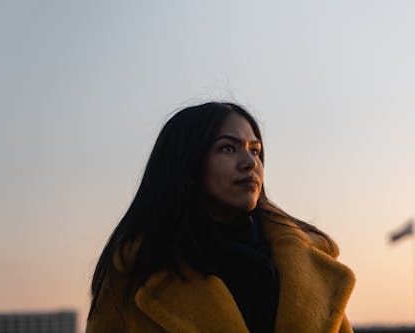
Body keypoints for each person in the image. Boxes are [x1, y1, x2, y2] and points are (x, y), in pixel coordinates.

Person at [86, 102, 355, 333]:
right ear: (188, 164)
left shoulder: (303, 266)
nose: (250, 163)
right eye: (228, 148)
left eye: (255, 150)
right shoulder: (136, 270)